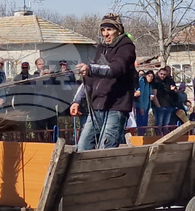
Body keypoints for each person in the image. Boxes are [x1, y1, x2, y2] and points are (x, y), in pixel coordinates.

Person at [69, 14, 137, 151]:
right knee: (82, 146)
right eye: (103, 30)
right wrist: (77, 100)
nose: (105, 34)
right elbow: (90, 78)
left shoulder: (126, 47)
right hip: (98, 105)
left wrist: (91, 68)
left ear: (118, 30)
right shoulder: (101, 48)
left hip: (117, 106)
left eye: (109, 30)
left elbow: (117, 69)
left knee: (105, 148)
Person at [152, 67, 178, 131]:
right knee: (159, 123)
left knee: (166, 124)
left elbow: (175, 90)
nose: (163, 76)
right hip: (160, 105)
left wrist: (173, 90)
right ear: (158, 73)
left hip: (168, 105)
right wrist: (158, 106)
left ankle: (164, 136)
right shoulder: (156, 81)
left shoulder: (169, 80)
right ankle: (159, 137)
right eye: (161, 74)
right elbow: (154, 95)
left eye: (164, 74)